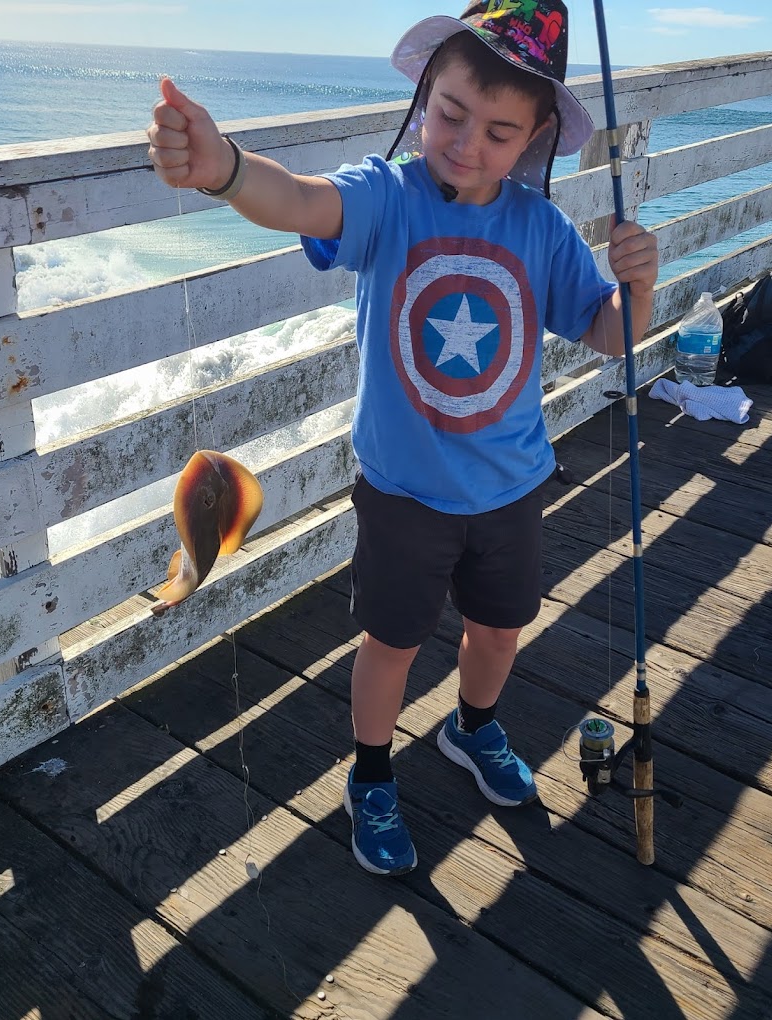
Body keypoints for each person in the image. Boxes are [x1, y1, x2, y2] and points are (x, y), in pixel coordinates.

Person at [147, 0, 659, 877]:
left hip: (512, 488)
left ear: (536, 138)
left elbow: (611, 334)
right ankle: (372, 775)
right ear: (425, 94)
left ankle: (472, 727)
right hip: (402, 495)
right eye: (452, 113)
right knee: (390, 644)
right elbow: (299, 200)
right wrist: (223, 170)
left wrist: (638, 288)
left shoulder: (542, 229)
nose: (466, 143)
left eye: (500, 131)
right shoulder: (387, 197)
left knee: (499, 632)